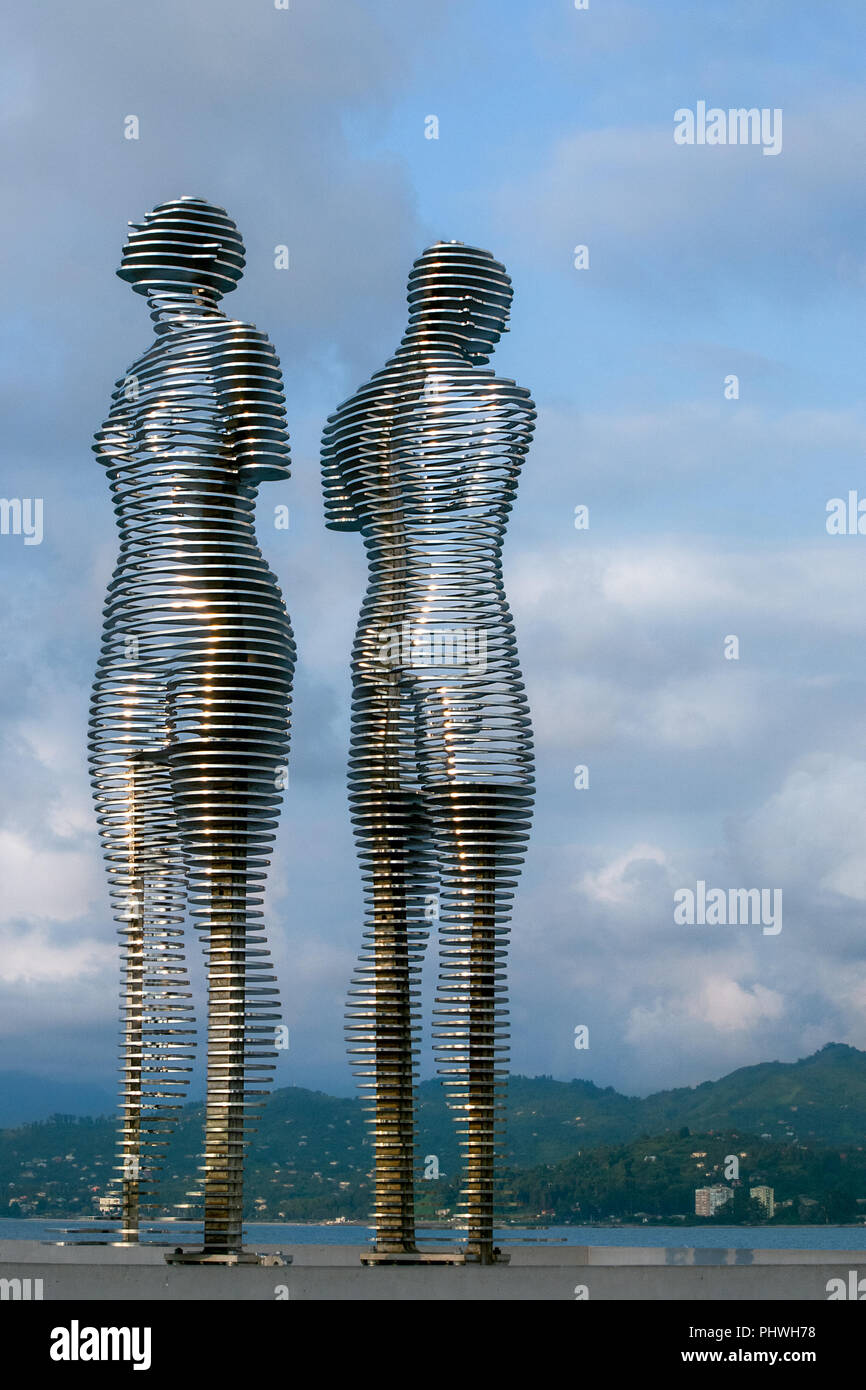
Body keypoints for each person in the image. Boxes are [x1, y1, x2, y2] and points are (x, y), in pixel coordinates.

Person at [322, 241, 535, 1262]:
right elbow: (478, 517)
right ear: (481, 308)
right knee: (474, 947)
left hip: (377, 662)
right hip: (474, 663)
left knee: (388, 935)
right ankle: (477, 1226)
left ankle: (388, 1223)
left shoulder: (349, 417)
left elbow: (340, 519)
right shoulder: (507, 404)